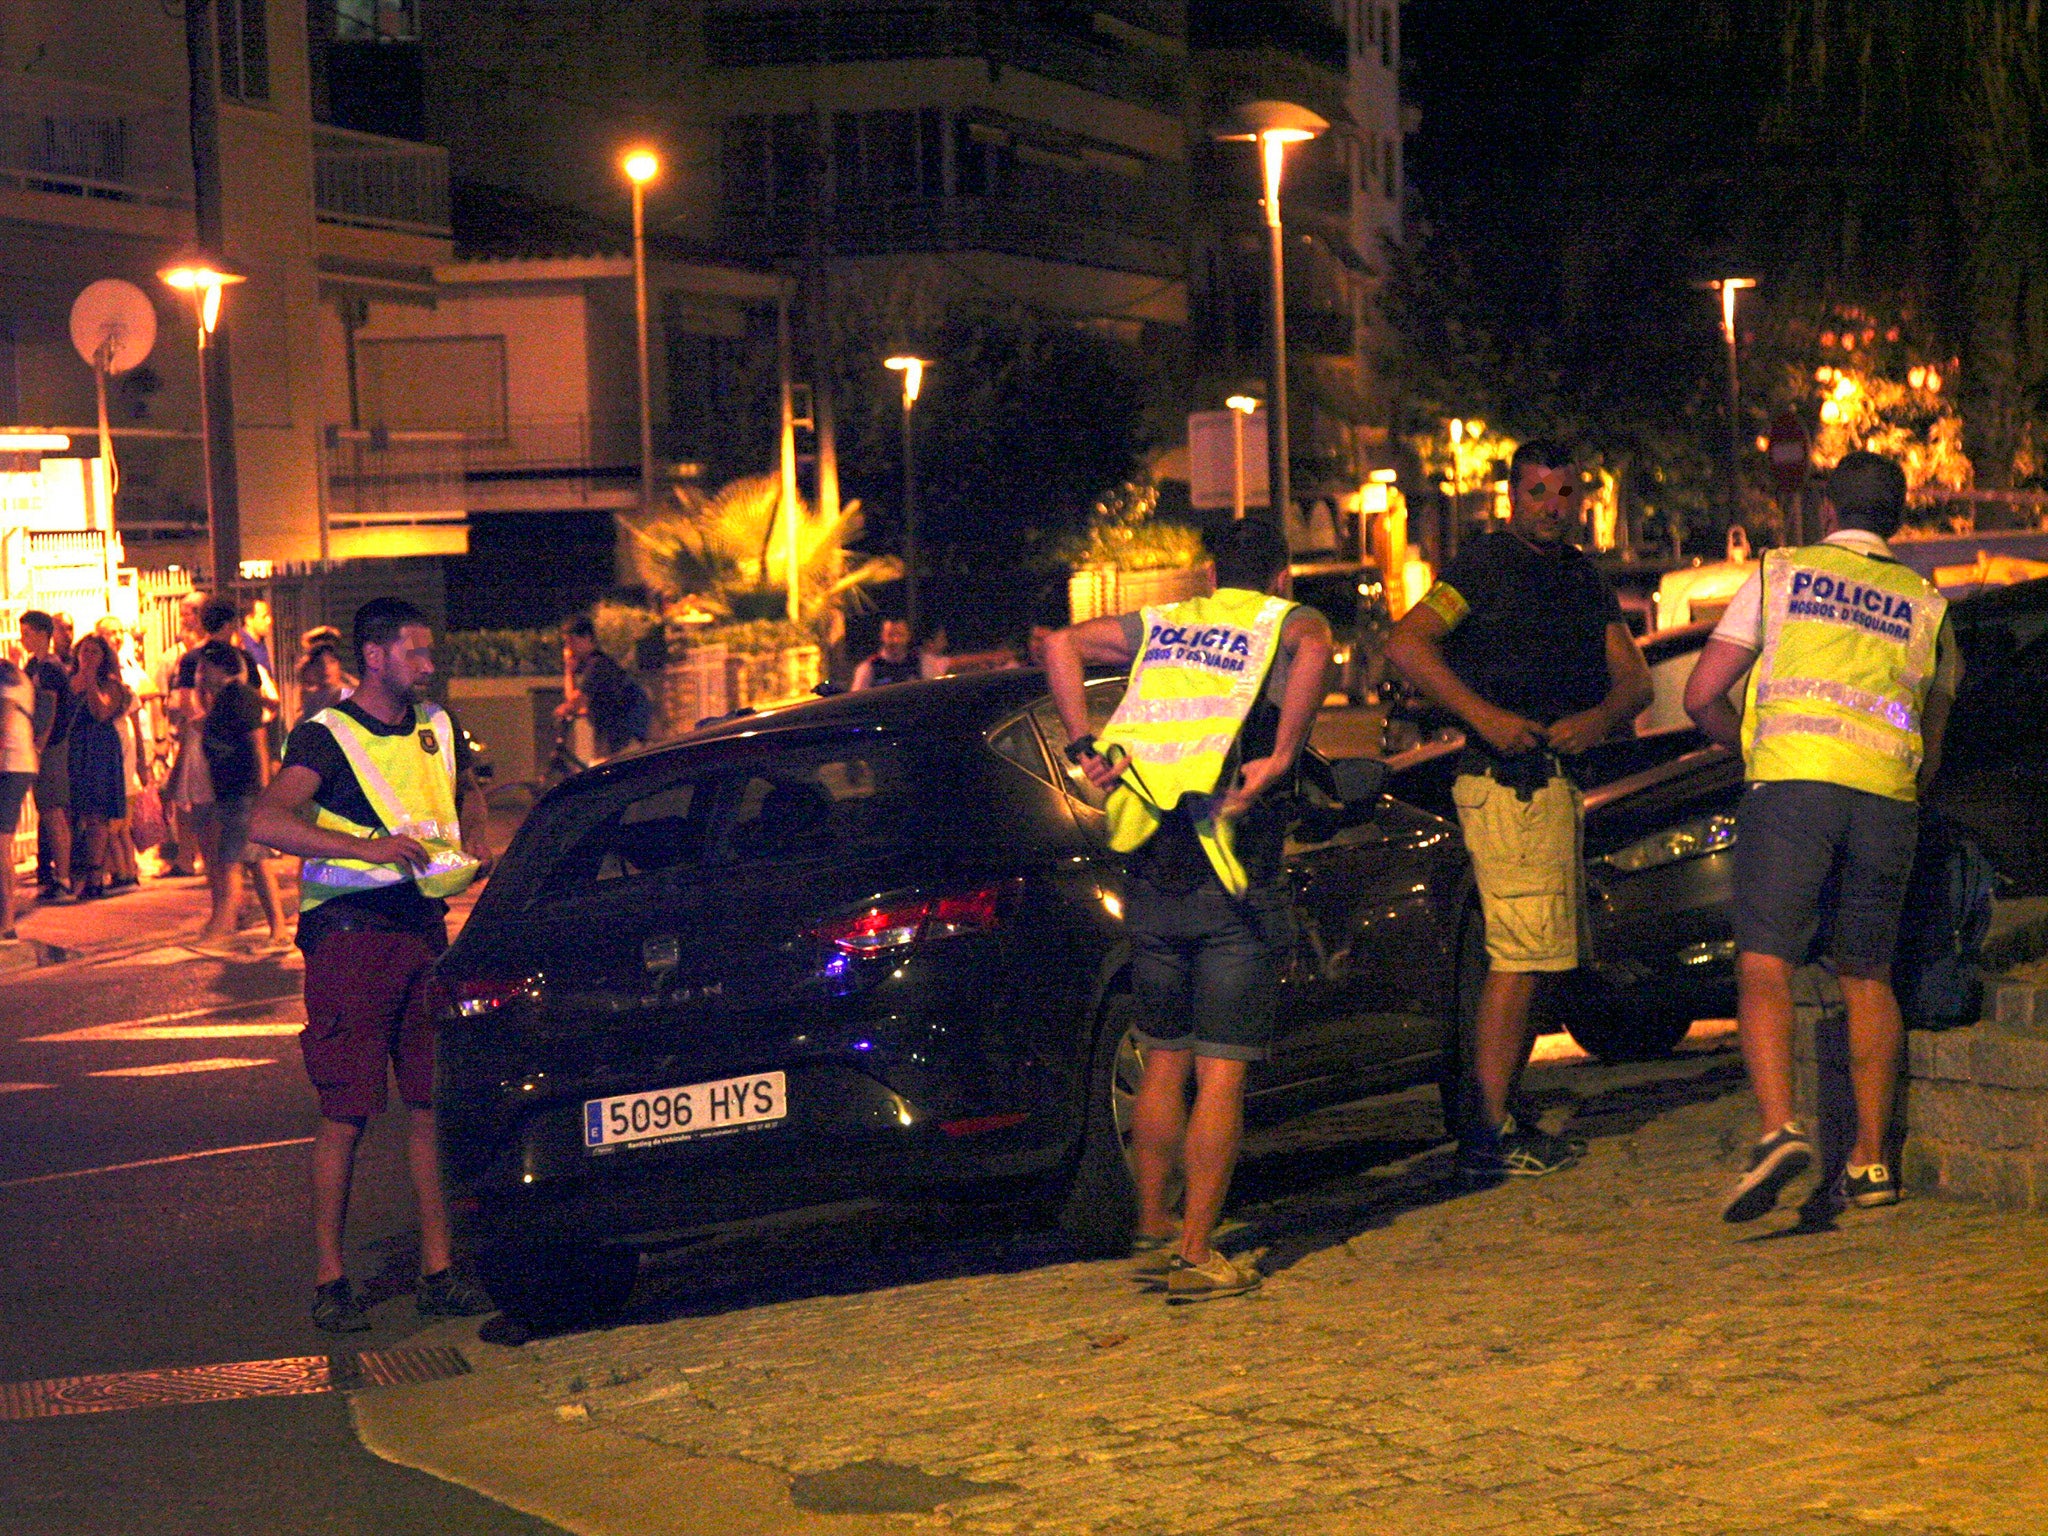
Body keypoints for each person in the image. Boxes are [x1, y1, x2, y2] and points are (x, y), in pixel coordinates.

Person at [1044, 519, 1334, 1302]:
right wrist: (1282, 753)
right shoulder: (1282, 622)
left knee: (1163, 1054)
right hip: (1229, 873)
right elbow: (1316, 647)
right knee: (1222, 1071)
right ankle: (1199, 1252)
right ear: (1280, 578)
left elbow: (1059, 644)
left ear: (1209, 573)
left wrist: (1081, 742)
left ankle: (1152, 1225)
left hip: (1149, 871)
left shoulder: (1168, 625)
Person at [1685, 451, 1959, 1221]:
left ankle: (1778, 1131)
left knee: (1765, 964)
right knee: (1867, 975)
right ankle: (1871, 1163)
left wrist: (1751, 747)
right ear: (1897, 520)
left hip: (1794, 786)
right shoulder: (1926, 604)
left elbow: (1703, 693)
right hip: (1885, 799)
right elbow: (1932, 743)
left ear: (1828, 512)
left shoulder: (1781, 574)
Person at [1385, 440, 1652, 1185]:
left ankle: (1497, 1112)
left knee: (1537, 960)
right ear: (1512, 495)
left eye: (1563, 493)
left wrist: (1596, 719)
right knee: (1521, 959)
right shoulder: (1481, 567)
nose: (1551, 506)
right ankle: (1487, 1130)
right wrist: (1487, 718)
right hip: (1507, 784)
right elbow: (1406, 642)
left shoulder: (1580, 577)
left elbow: (1634, 682)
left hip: (1556, 781)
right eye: (1537, 492)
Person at [248, 598, 495, 1332]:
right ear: (376, 656)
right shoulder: (325, 736)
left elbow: (468, 791)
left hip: (423, 928)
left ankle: (439, 1270)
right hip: (351, 938)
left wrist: (474, 844)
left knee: (430, 1102)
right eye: (415, 654)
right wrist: (367, 849)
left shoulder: (438, 726)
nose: (428, 666)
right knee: (346, 1112)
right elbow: (266, 819)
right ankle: (330, 1279)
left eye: (428, 654)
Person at [191, 641, 287, 953]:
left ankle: (221, 929)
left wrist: (263, 792)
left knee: (230, 860)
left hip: (244, 792)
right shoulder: (223, 700)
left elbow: (257, 742)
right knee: (255, 861)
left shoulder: (239, 695)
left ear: (223, 668)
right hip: (233, 792)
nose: (201, 674)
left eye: (207, 667)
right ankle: (279, 929)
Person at [66, 633, 132, 901]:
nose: (88, 656)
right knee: (75, 813)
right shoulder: (70, 682)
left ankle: (96, 876)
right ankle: (77, 875)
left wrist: (91, 681)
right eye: (84, 651)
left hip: (100, 750)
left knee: (97, 815)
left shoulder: (113, 685)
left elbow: (100, 712)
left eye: (94, 652)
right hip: (76, 748)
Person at [21, 611, 73, 903]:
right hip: (42, 746)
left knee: (54, 812)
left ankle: (63, 878)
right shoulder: (33, 665)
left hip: (51, 747)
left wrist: (40, 744)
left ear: (43, 633)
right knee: (49, 812)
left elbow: (50, 709)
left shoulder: (51, 668)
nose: (23, 638)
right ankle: (56, 875)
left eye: (27, 632)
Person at [554, 616, 649, 761]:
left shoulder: (598, 666)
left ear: (586, 637)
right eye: (566, 643)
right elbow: (581, 705)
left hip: (625, 742)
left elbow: (573, 703)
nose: (569, 648)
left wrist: (568, 671)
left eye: (572, 641)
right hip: (618, 741)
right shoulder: (596, 663)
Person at [0, 645, 35, 940]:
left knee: (1, 843)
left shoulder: (7, 676)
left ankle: (7, 920)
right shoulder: (15, 674)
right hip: (18, 763)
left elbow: (4, 723)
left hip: (10, 765)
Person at [851, 617, 945, 690]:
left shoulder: (922, 662)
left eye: (900, 634)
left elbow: (934, 692)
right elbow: (856, 702)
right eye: (890, 635)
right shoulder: (868, 668)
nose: (895, 640)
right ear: (882, 636)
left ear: (908, 636)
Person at [298, 643, 354, 719]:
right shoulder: (311, 699)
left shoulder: (347, 695)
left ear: (339, 665)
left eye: (331, 661)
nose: (326, 667)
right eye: (319, 663)